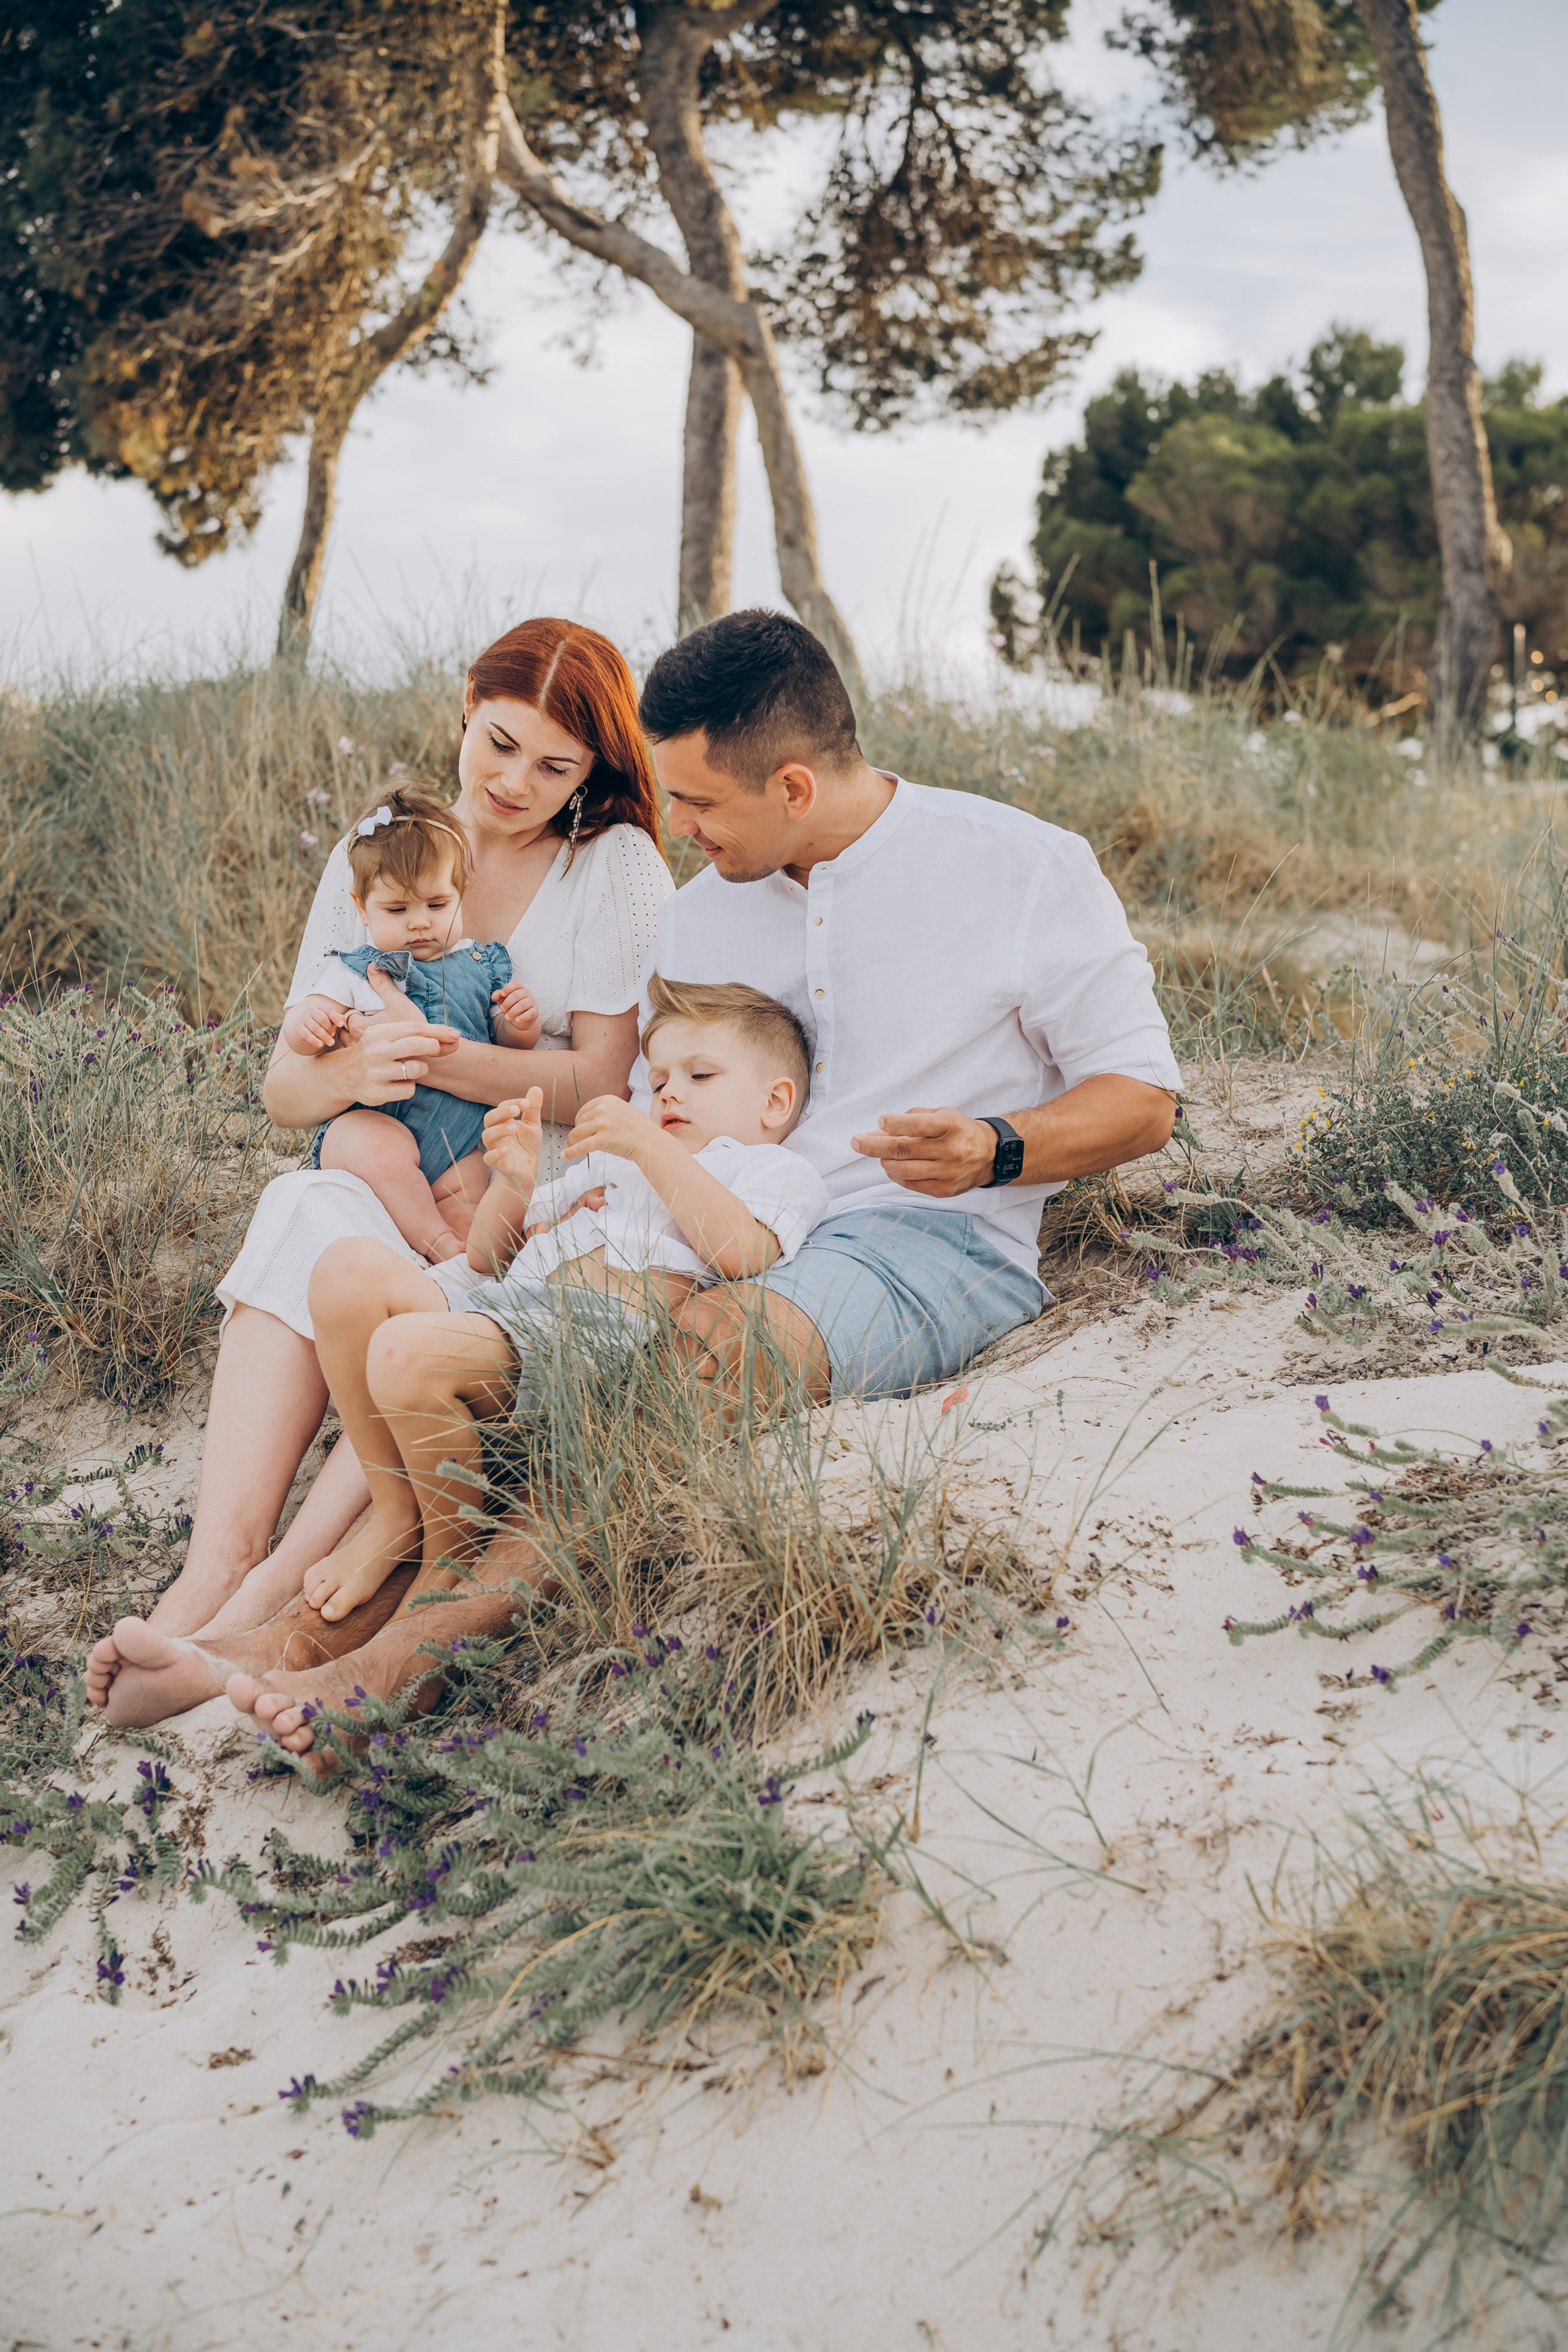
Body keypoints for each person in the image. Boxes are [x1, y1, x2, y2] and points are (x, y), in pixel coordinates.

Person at [147, 603, 1181, 1765]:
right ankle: (287, 1631)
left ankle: (399, 1663)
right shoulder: (697, 917)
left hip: (912, 1237)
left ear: (793, 787)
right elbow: (637, 1119)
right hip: (689, 1227)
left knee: (689, 1356)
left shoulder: (1024, 868)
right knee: (536, 1348)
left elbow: (1144, 1099)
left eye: (697, 803)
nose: (673, 828)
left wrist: (997, 1146)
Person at [85, 617, 672, 1727]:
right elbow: (286, 1092)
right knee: (304, 1196)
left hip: (524, 1175)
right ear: (467, 708)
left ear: (594, 772)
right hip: (390, 1154)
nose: (517, 783)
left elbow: (602, 1077)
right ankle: (216, 1569)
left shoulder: (614, 866)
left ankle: (265, 1597)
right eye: (501, 744)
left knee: (429, 1261)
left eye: (556, 768)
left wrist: (437, 1054)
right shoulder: (384, 851)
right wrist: (353, 1066)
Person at [278, 977, 826, 1631]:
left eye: (699, 1075)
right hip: (506, 1301)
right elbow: (488, 1255)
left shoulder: (771, 1170)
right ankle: (397, 1512)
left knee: (403, 1354)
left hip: (587, 1331)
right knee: (343, 1271)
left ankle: (448, 1557)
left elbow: (740, 1251)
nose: (669, 1093)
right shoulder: (610, 1164)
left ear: (775, 1102)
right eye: (658, 1081)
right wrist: (514, 1182)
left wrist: (648, 1145)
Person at [281, 788, 543, 1261]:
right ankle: (435, 1240)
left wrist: (519, 1023)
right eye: (398, 910)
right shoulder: (356, 969)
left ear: (461, 895)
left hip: (459, 1136)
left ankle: (470, 1259)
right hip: (377, 1121)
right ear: (362, 908)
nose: (420, 924)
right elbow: (305, 1030)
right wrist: (309, 1025)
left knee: (471, 1198)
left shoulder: (482, 964)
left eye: (437, 906)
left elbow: (508, 1044)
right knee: (375, 1147)